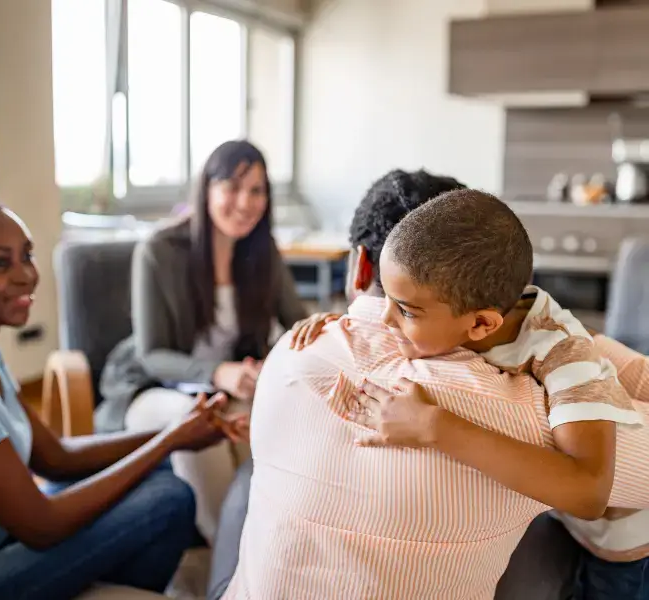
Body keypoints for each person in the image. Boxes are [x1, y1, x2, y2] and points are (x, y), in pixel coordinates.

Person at [0, 193, 232, 600]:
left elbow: (55, 458)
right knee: (168, 498)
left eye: (26, 256)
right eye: (0, 263)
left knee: (158, 474)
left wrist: (175, 432)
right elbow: (41, 525)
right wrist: (169, 441)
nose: (26, 275)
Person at [217, 174, 568, 600]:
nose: (384, 321)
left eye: (405, 309)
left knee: (245, 484)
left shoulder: (290, 350)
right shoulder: (533, 410)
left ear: (360, 263)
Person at [291, 187, 649, 598]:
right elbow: (404, 313)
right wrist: (344, 321)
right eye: (385, 299)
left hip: (623, 550)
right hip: (561, 521)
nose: (386, 318)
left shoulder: (566, 356)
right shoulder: (458, 311)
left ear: (481, 325)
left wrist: (435, 426)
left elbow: (589, 492)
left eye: (405, 310)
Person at [98, 140, 308, 542]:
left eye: (257, 190)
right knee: (198, 422)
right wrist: (218, 372)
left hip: (226, 388)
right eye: (232, 187)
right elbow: (152, 354)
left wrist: (273, 364)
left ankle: (270, 543)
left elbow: (299, 325)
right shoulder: (159, 252)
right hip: (152, 388)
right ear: (207, 189)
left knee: (274, 410)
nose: (245, 202)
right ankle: (224, 552)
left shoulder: (264, 254)